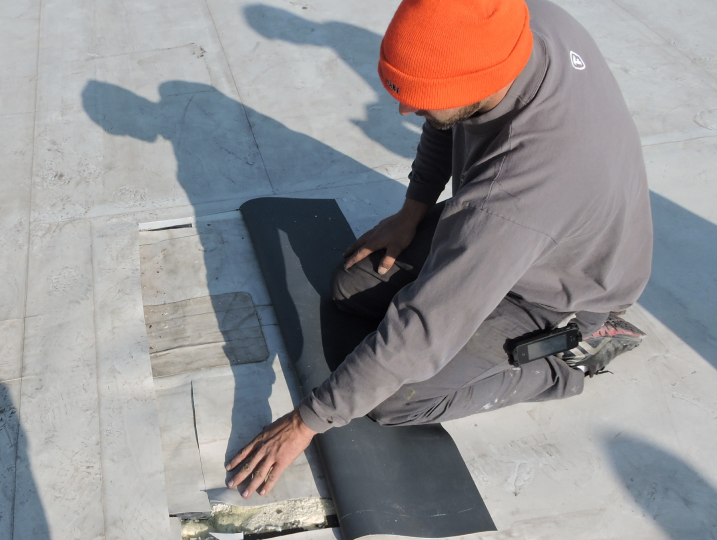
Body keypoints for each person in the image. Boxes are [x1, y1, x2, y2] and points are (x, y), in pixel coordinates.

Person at [226, 0, 652, 498]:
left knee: (394, 401)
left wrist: (307, 421)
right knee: (350, 285)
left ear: (476, 84)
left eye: (421, 100)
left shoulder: (512, 198)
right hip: (538, 232)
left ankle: (565, 361)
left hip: (562, 289)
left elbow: (425, 328)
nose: (404, 111)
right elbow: (444, 117)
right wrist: (412, 212)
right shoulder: (510, 23)